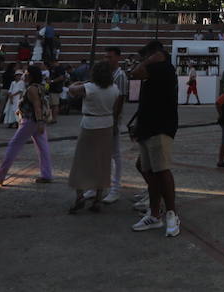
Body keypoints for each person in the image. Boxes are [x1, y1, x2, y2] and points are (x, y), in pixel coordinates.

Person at [130, 39, 180, 237]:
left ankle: (171, 214)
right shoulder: (157, 68)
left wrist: (150, 59)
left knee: (162, 170)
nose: (142, 60)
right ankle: (154, 214)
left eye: (145, 56)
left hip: (160, 127)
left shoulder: (163, 68)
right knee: (150, 171)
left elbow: (135, 73)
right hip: (148, 127)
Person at [66, 60, 122, 214]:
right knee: (102, 162)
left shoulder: (89, 87)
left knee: (82, 162)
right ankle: (98, 198)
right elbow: (116, 108)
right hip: (107, 124)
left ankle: (80, 196)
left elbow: (71, 89)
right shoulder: (114, 88)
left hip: (90, 124)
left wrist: (80, 82)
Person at [0, 67, 53, 185]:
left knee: (14, 145)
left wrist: (39, 121)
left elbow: (37, 106)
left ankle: (0, 174)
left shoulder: (32, 89)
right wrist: (40, 122)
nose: (24, 75)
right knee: (43, 147)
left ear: (31, 76)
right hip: (36, 121)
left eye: (26, 73)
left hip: (30, 121)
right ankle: (46, 174)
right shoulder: (39, 87)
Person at [103, 47, 130, 203]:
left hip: (111, 119)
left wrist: (114, 120)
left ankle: (115, 189)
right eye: (106, 57)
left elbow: (120, 100)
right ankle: (99, 186)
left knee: (115, 154)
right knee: (104, 154)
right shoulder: (108, 74)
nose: (107, 60)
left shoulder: (120, 75)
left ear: (118, 58)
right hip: (104, 117)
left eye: (110, 57)